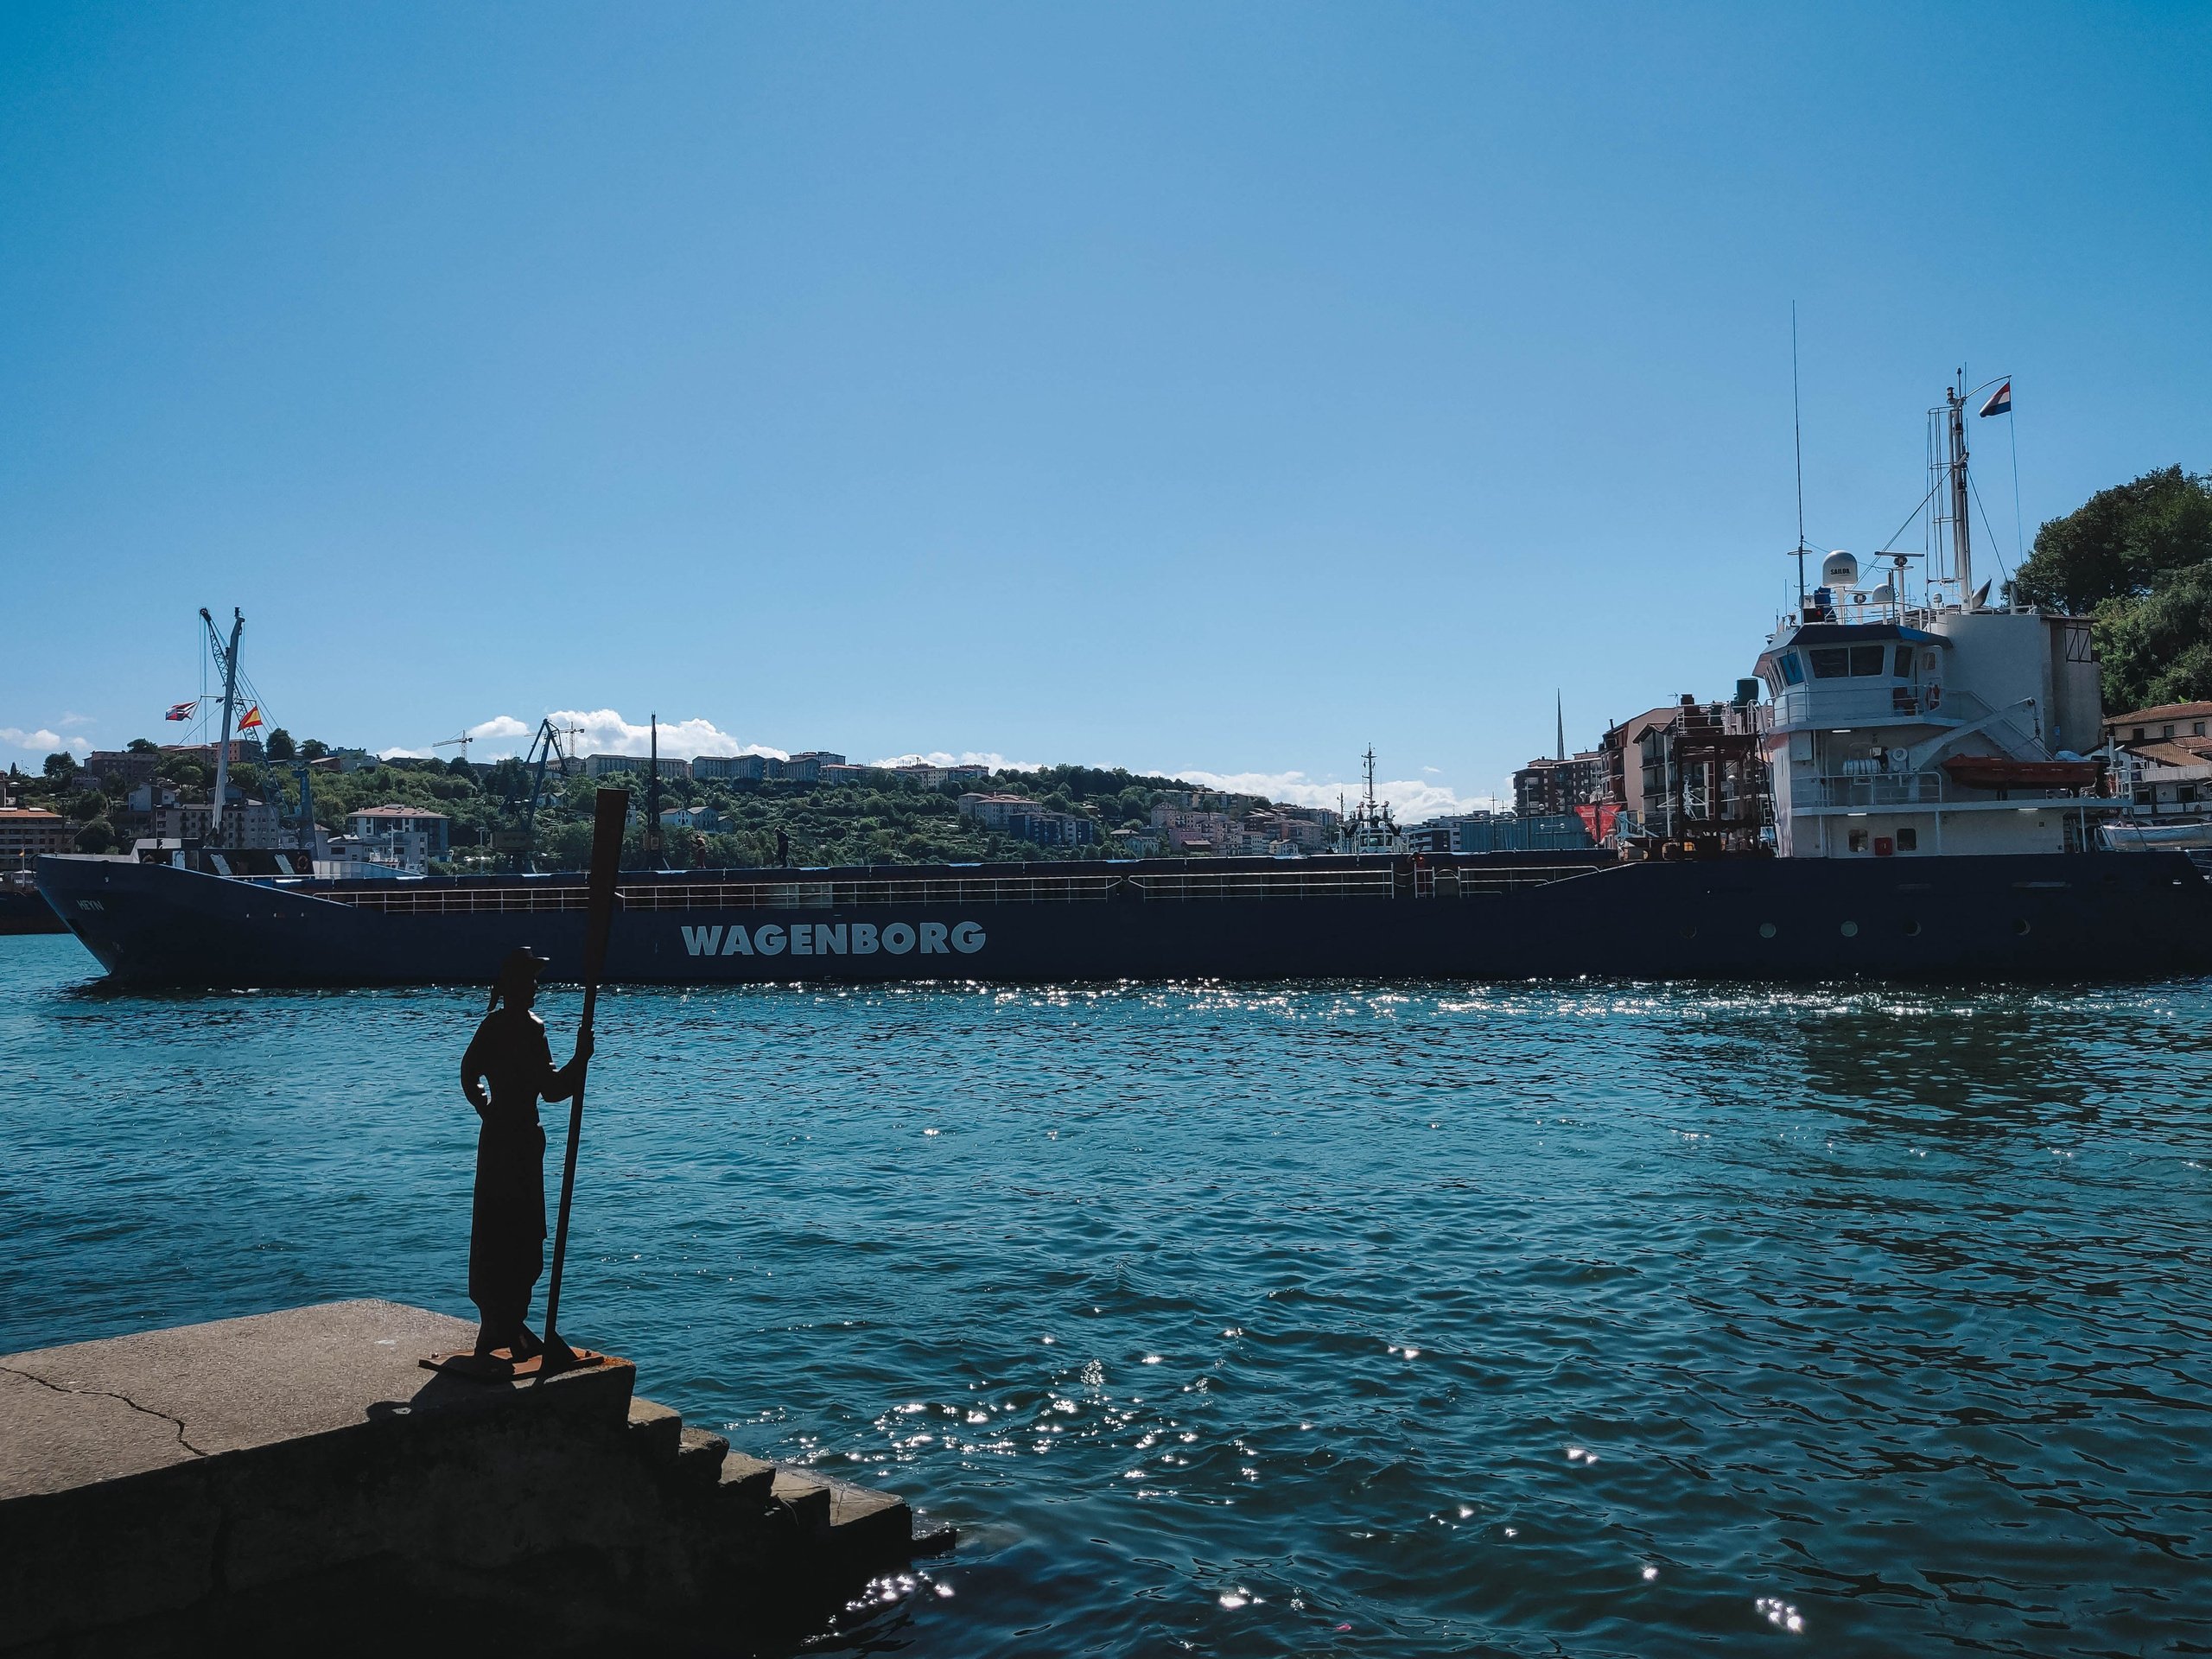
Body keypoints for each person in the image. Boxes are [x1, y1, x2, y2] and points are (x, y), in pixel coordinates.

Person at [460, 946, 592, 1368]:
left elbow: (469, 1073)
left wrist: (487, 1109)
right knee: (523, 1228)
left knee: (495, 1225)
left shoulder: (491, 1025)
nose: (536, 987)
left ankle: (501, 1321)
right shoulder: (531, 1029)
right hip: (520, 1140)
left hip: (496, 1135)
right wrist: (581, 1060)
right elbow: (552, 1091)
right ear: (517, 986)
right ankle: (509, 1322)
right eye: (531, 980)